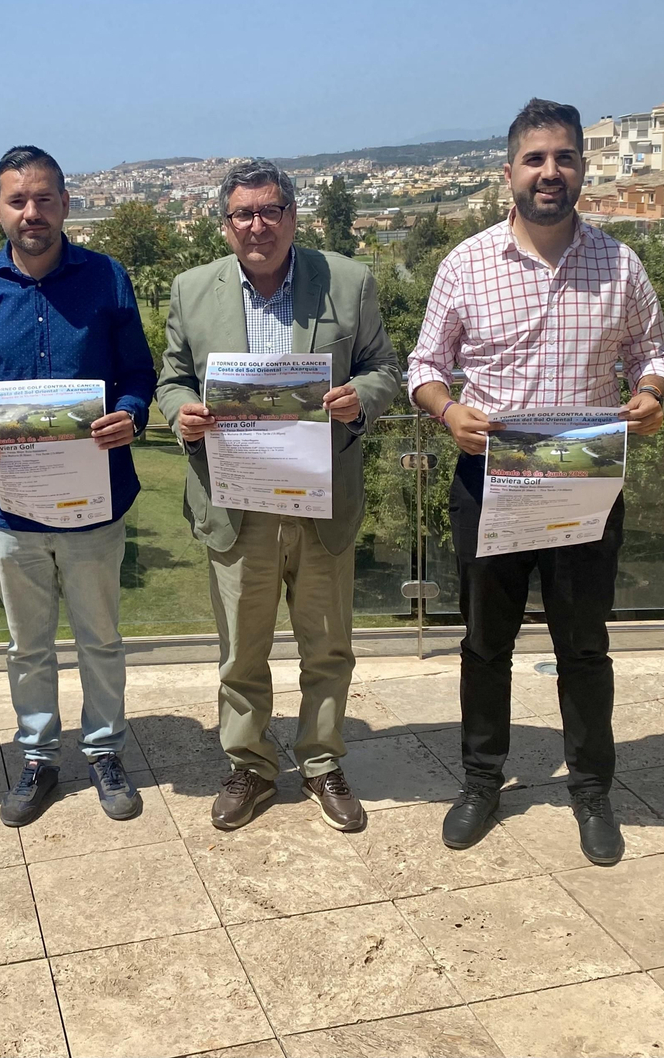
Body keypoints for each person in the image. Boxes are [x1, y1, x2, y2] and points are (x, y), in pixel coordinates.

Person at [408, 99, 664, 865]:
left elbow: (654, 352)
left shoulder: (620, 264)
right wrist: (446, 410)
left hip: (585, 484)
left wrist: (653, 394)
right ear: (509, 174)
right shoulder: (465, 262)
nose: (549, 171)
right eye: (535, 159)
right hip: (489, 479)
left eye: (563, 158)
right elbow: (425, 365)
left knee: (583, 647)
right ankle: (481, 781)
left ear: (582, 171)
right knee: (484, 644)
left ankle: (592, 791)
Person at [156, 159, 401, 833]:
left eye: (270, 211)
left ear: (293, 215)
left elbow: (386, 366)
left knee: (327, 645)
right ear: (226, 223)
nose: (257, 225)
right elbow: (171, 379)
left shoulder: (346, 282)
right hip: (237, 503)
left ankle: (322, 763)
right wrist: (180, 414)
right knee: (242, 650)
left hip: (321, 498)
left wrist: (364, 399)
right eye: (244, 214)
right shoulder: (191, 290)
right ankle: (251, 766)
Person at [0, 147, 156, 827]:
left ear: (65, 203)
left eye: (43, 198)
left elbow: (137, 375)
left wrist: (134, 414)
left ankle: (104, 749)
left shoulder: (107, 278)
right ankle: (37, 756)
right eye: (17, 201)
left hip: (94, 500)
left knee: (100, 638)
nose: (31, 213)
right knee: (26, 644)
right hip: (11, 505)